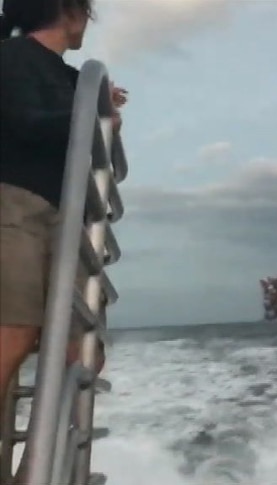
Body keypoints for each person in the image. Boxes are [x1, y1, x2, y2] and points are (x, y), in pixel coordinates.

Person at [0, 0, 127, 473]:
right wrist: (93, 118)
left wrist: (106, 120)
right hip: (16, 204)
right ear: (69, 12)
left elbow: (101, 161)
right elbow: (25, 122)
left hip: (67, 217)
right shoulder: (10, 58)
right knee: (12, 335)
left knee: (84, 354)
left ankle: (34, 471)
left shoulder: (73, 79)